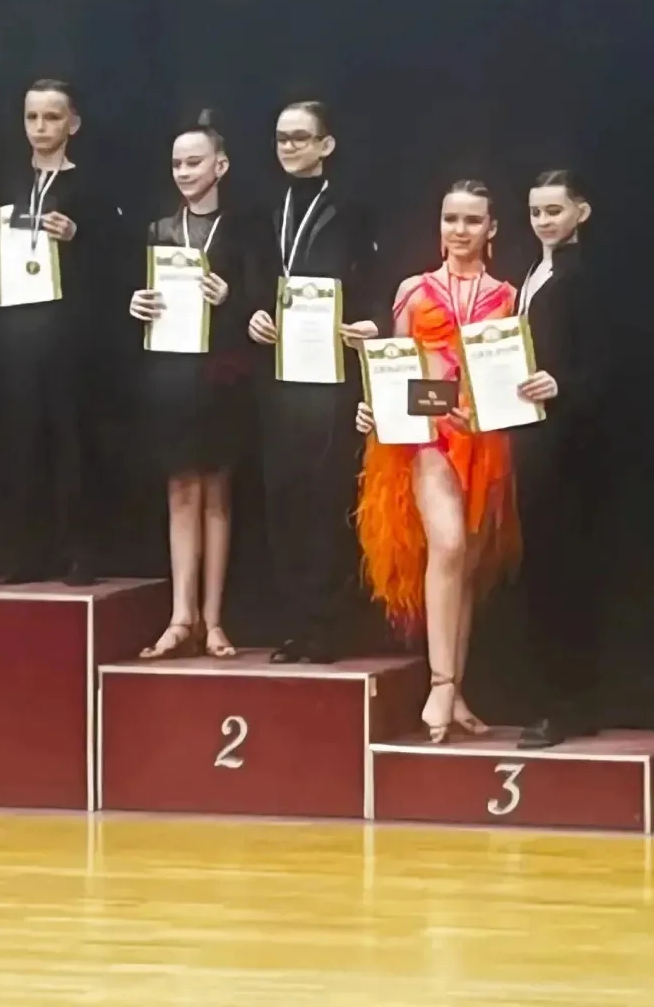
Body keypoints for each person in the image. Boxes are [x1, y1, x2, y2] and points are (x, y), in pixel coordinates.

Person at [0, 0, 111, 584]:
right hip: (12, 324)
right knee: (16, 438)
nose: (40, 127)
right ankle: (20, 552)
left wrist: (78, 235)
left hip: (65, 326)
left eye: (52, 118)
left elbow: (115, 256)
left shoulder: (88, 185)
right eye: (33, 117)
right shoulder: (9, 174)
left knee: (70, 438)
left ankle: (79, 550)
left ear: (72, 125)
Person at [355, 180, 520, 742]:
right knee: (446, 546)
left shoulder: (507, 297)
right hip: (430, 439)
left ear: (492, 229)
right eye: (452, 218)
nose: (460, 230)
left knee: (467, 567)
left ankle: (456, 689)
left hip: (486, 443)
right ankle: (440, 682)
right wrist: (374, 407)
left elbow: (513, 378)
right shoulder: (415, 290)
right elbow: (395, 369)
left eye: (472, 220)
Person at [245, 99, 384, 663]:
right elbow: (253, 281)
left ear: (326, 145)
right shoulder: (264, 207)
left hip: (331, 372)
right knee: (284, 497)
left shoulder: (352, 210)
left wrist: (372, 321)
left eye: (300, 137)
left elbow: (374, 281)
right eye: (281, 138)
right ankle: (294, 626)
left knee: (327, 496)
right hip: (280, 372)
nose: (288, 147)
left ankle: (328, 627)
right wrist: (253, 315)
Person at [129, 112, 247, 658]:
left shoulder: (242, 231)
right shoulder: (159, 230)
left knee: (216, 492)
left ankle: (214, 619)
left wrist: (232, 299)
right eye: (176, 163)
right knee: (180, 489)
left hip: (220, 373)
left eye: (194, 162)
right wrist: (137, 304)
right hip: (171, 373)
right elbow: (143, 298)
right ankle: (181, 615)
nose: (183, 172)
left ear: (220, 166)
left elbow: (262, 304)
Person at [512, 169, 601, 748]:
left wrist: (562, 384)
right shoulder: (535, 272)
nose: (544, 221)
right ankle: (556, 698)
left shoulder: (582, 277)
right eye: (536, 211)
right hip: (532, 437)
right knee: (541, 568)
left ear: (580, 213)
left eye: (554, 210)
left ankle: (566, 705)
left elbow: (604, 364)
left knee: (562, 570)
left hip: (568, 445)